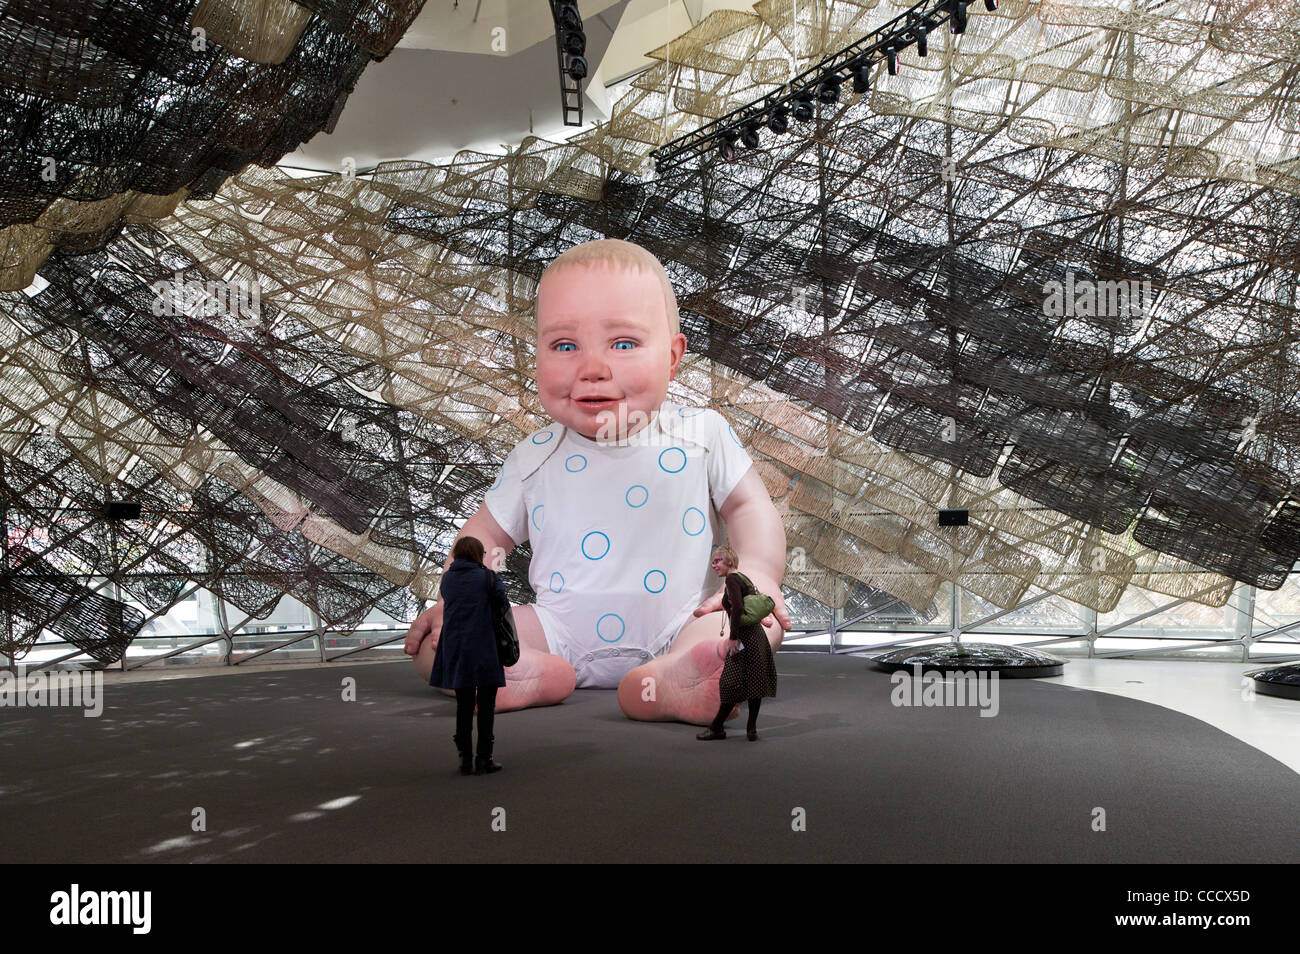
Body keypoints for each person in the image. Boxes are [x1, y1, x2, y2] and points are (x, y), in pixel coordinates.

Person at [406, 237, 792, 725]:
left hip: (684, 625)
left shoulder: (701, 434)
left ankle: (679, 678)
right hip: (555, 632)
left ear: (672, 357)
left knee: (751, 620)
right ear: (537, 354)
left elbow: (749, 509)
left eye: (624, 344)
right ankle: (518, 671)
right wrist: (459, 599)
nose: (591, 369)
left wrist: (758, 572)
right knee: (442, 638)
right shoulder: (534, 456)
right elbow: (484, 537)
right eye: (564, 346)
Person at [429, 535, 506, 775]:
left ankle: (464, 758)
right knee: (485, 705)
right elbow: (503, 605)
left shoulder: (447, 580)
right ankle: (484, 758)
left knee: (463, 704)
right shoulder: (487, 578)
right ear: (477, 555)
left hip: (456, 647)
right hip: (484, 647)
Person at [697, 545, 778, 741]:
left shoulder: (732, 579)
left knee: (727, 683)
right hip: (756, 636)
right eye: (713, 562)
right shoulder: (743, 578)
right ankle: (751, 729)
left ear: (729, 562)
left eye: (717, 561)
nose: (714, 565)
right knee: (755, 681)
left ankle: (717, 728)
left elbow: (738, 608)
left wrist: (733, 637)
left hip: (744, 637)